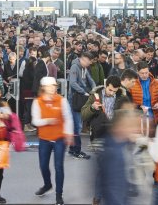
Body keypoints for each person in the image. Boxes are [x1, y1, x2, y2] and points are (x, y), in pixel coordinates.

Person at [81, 75, 127, 204]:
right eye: (110, 90)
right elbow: (83, 114)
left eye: (115, 91)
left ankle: (109, 196)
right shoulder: (94, 96)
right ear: (106, 85)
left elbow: (126, 116)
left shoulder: (121, 97)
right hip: (98, 135)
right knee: (101, 169)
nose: (112, 93)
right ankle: (98, 196)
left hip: (115, 138)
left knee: (115, 168)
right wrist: (92, 108)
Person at [31, 76, 74, 205]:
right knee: (43, 165)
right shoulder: (37, 102)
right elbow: (35, 121)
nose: (53, 88)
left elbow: (68, 118)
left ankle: (58, 194)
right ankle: (47, 184)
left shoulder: (62, 100)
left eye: (54, 86)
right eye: (50, 86)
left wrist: (69, 133)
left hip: (60, 138)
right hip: (44, 139)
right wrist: (48, 121)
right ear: (43, 87)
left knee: (58, 167)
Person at [67, 52, 95, 159]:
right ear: (83, 59)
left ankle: (72, 148)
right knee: (77, 125)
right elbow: (73, 83)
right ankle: (76, 150)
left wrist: (94, 88)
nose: (88, 65)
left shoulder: (84, 68)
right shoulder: (75, 67)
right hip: (75, 98)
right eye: (88, 62)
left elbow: (90, 79)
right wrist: (84, 92)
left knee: (76, 124)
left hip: (82, 97)